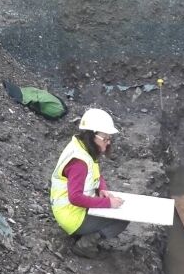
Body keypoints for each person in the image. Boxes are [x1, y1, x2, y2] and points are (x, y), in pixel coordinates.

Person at [50, 108, 129, 253]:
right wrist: (108, 203)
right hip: (72, 217)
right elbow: (75, 198)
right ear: (91, 135)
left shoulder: (83, 149)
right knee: (122, 220)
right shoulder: (79, 162)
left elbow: (96, 175)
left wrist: (102, 189)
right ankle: (84, 246)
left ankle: (85, 233)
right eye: (105, 139)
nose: (108, 143)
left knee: (116, 211)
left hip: (72, 211)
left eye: (109, 138)